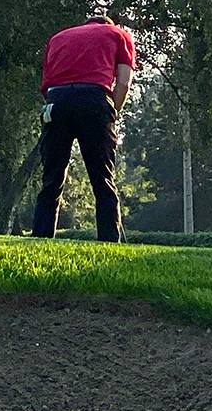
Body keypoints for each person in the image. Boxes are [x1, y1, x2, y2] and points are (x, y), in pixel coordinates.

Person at [31, 15, 136, 242]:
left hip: (57, 100)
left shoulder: (58, 38)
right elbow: (124, 82)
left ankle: (41, 237)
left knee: (52, 179)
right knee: (102, 179)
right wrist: (112, 113)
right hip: (94, 99)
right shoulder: (118, 35)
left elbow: (47, 83)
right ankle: (109, 240)